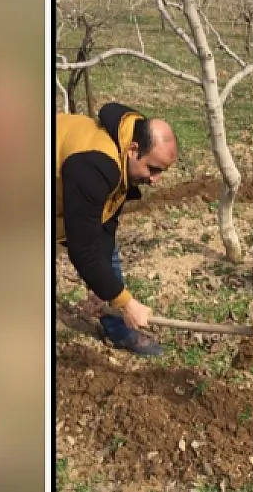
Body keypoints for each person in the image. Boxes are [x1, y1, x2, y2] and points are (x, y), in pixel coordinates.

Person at [56, 102, 178, 356]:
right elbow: (83, 248)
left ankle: (119, 332)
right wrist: (127, 304)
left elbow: (105, 220)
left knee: (107, 257)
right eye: (153, 169)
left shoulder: (125, 144)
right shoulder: (95, 164)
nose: (155, 181)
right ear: (134, 150)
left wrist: (107, 290)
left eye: (162, 172)